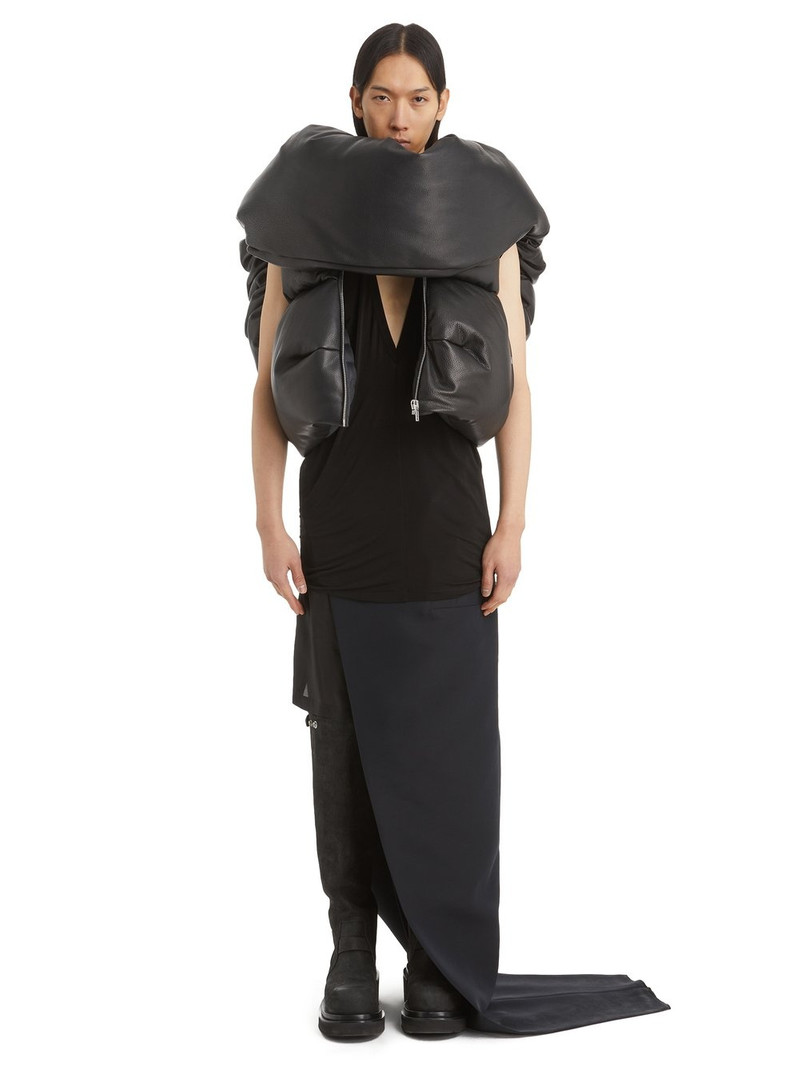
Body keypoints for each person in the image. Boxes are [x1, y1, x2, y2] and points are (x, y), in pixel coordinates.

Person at [239, 21, 670, 1041]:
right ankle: (352, 952)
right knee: (342, 745)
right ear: (353, 101)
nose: (399, 116)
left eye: (418, 97)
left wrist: (512, 521)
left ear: (443, 105)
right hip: (340, 521)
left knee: (450, 750)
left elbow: (514, 387)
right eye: (381, 96)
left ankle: (436, 955)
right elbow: (264, 388)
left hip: (445, 523)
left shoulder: (482, 221)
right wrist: (266, 522)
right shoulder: (301, 222)